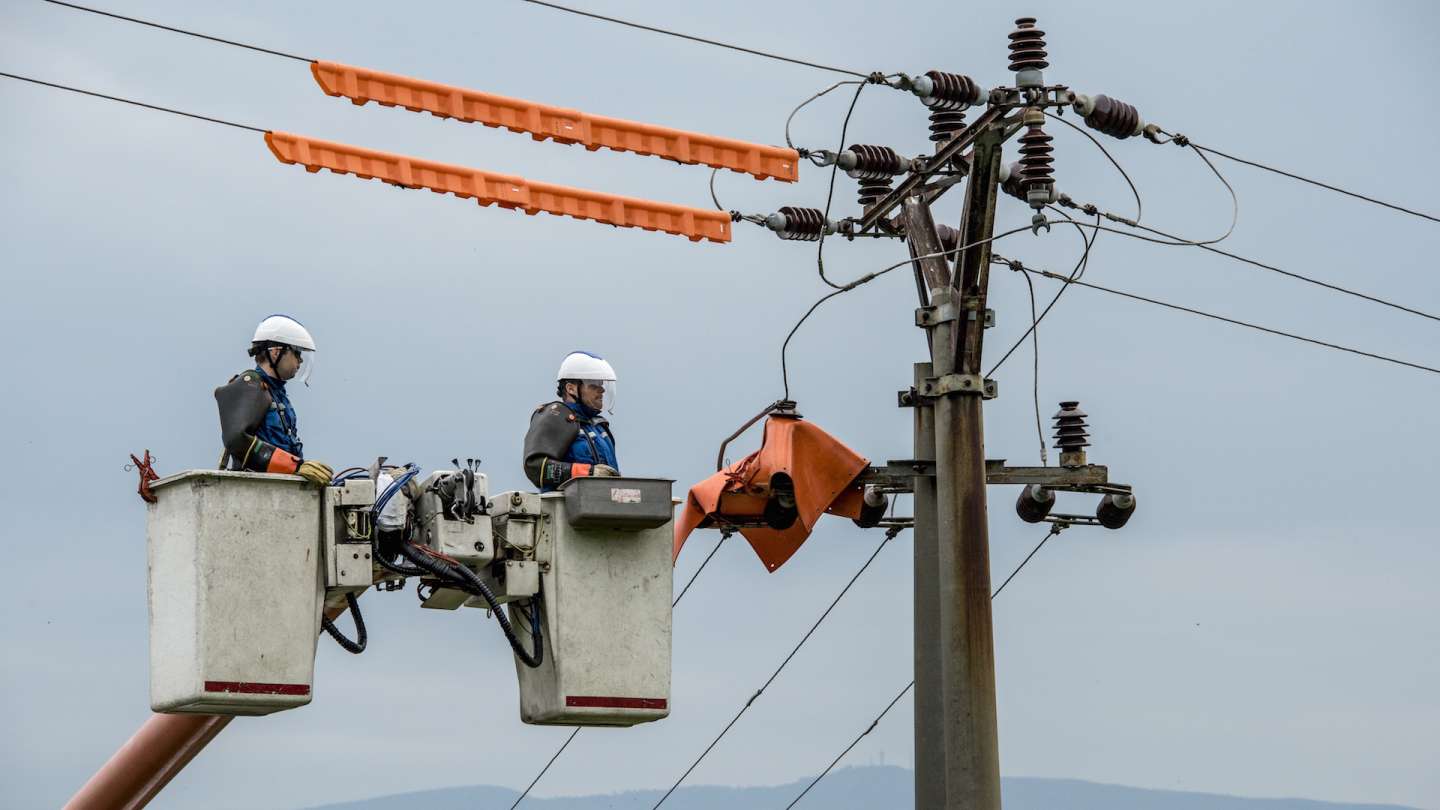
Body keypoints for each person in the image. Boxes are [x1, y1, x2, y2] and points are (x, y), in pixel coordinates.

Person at [214, 314, 332, 486]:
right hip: (256, 492)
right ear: (276, 352)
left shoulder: (277, 393)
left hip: (280, 490)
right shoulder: (251, 385)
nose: (300, 360)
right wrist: (295, 467)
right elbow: (236, 440)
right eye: (296, 352)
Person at [523, 351, 621, 491]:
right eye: (594, 385)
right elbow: (534, 467)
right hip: (565, 511)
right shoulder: (555, 416)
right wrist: (588, 472)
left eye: (601, 384)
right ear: (571, 388)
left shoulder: (600, 427)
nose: (602, 390)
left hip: (603, 508)